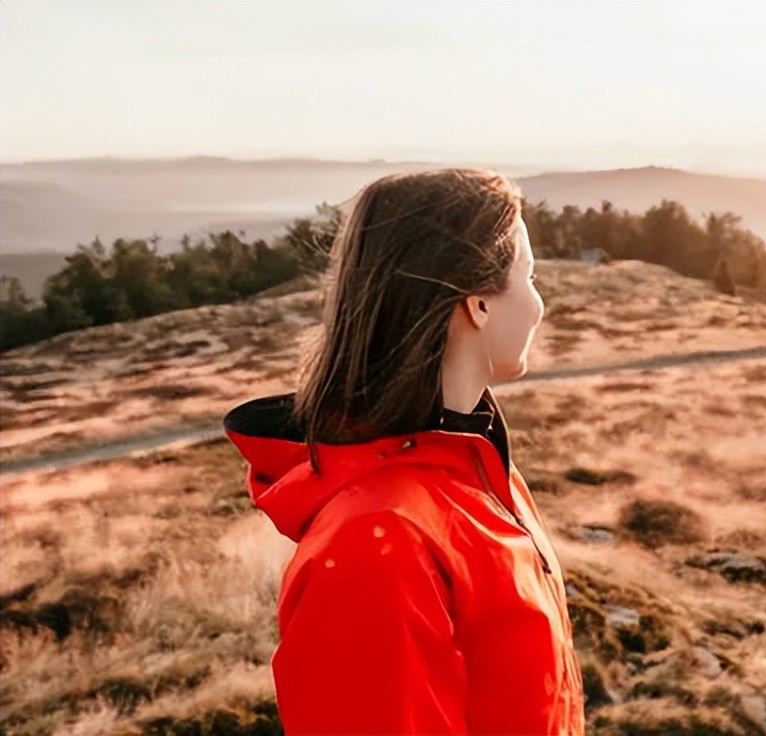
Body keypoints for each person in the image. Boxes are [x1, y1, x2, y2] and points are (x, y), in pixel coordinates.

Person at [222, 168, 585, 735]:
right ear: (478, 305)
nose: (539, 304)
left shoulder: (478, 470)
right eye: (529, 277)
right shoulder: (379, 545)